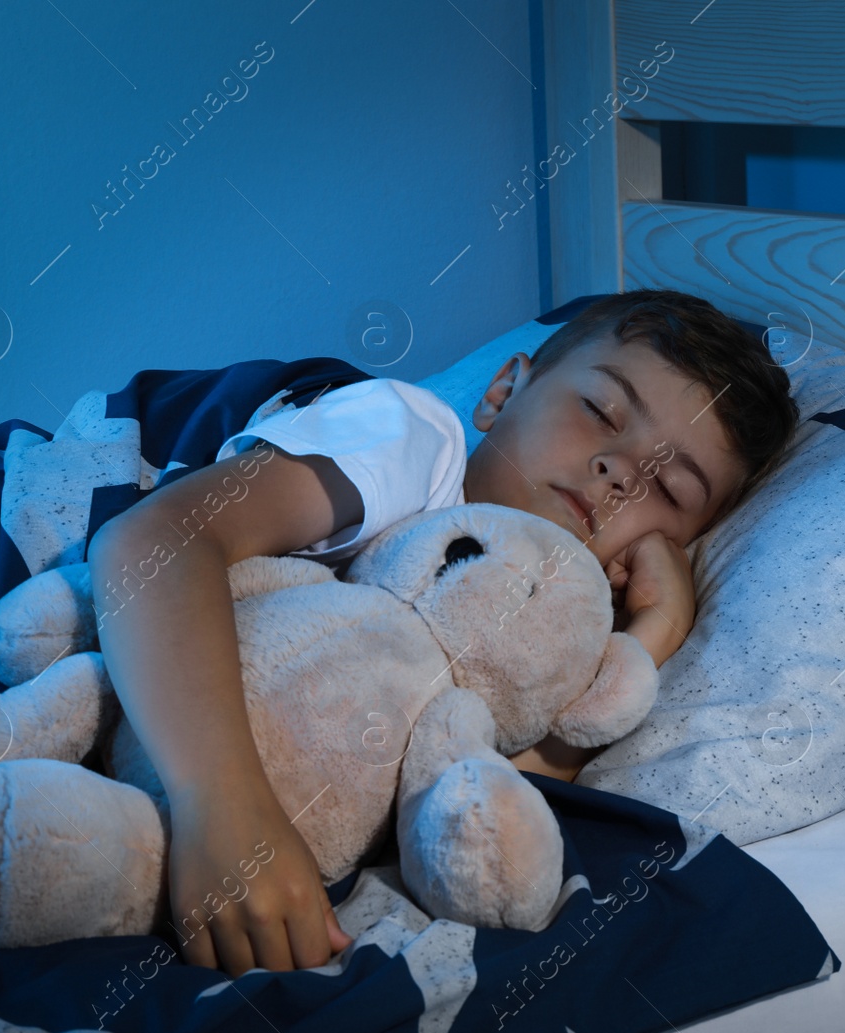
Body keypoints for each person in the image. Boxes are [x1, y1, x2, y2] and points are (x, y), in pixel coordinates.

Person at [86, 288, 799, 977]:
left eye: (669, 490)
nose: (620, 472)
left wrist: (658, 629)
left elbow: (474, 795)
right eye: (600, 410)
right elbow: (152, 542)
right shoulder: (414, 444)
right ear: (501, 393)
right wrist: (224, 808)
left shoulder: (543, 633)